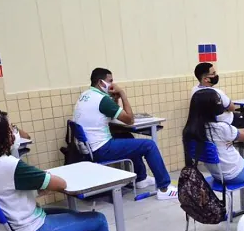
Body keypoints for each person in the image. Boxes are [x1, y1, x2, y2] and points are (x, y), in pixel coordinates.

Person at [74, 68, 178, 200]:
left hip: (88, 148)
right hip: (101, 149)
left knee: (127, 137)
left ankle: (141, 178)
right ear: (101, 82)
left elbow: (111, 116)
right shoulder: (102, 99)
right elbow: (129, 120)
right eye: (110, 81)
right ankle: (164, 188)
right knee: (149, 145)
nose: (112, 85)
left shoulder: (85, 95)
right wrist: (122, 94)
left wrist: (115, 99)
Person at [183, 89, 244, 184]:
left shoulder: (192, 130)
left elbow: (237, 132)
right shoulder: (220, 128)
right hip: (235, 173)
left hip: (218, 175)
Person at [191, 62, 244, 129]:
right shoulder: (216, 93)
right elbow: (232, 108)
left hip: (205, 123)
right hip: (226, 122)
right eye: (213, 74)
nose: (216, 75)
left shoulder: (194, 90)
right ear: (206, 79)